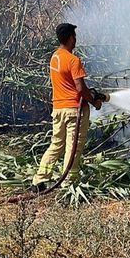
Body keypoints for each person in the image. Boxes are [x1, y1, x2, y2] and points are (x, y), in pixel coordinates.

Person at [30, 23, 102, 193]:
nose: (75, 39)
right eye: (74, 36)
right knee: (73, 148)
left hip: (58, 110)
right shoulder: (73, 60)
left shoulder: (54, 57)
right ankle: (68, 185)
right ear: (70, 38)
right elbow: (80, 88)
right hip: (74, 112)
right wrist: (94, 101)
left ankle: (39, 180)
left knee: (56, 145)